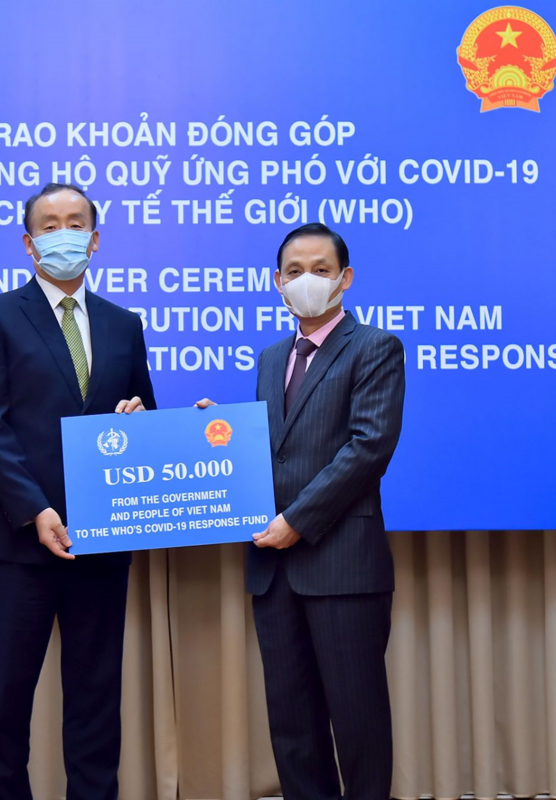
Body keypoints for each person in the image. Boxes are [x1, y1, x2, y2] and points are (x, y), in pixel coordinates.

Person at [0, 182, 156, 800]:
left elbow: (146, 414)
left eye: (76, 223)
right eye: (49, 225)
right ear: (28, 243)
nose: (63, 234)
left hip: (102, 537)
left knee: (96, 703)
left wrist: (143, 422)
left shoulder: (124, 324)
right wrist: (36, 509)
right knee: (5, 705)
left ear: (95, 240)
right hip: (18, 538)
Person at [198, 222, 404, 800]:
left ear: (345, 278)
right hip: (275, 571)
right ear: (277, 282)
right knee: (292, 729)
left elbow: (368, 448)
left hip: (342, 565)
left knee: (359, 724)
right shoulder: (271, 358)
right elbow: (277, 447)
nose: (306, 280)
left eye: (320, 269)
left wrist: (296, 522)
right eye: (294, 271)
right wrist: (216, 433)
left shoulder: (375, 347)